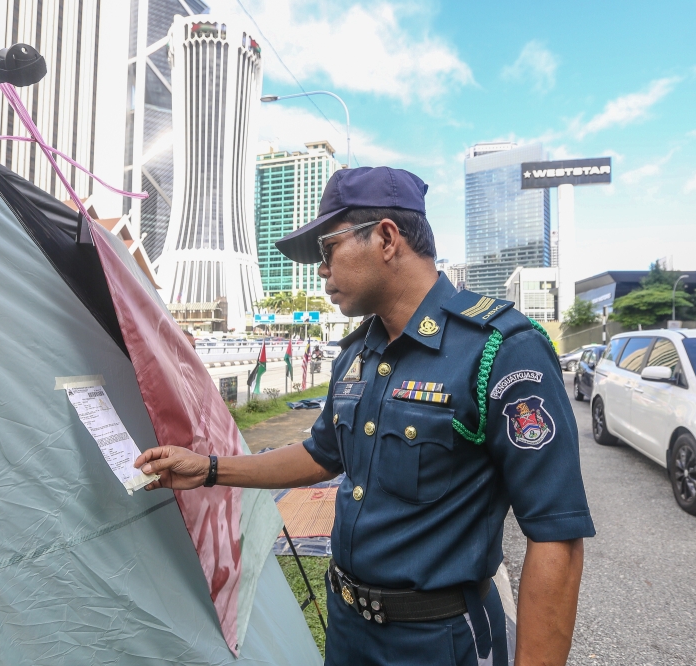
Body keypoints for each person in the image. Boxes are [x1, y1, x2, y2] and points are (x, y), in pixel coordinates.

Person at [135, 166, 595, 666]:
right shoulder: (357, 354)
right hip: (349, 627)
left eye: (327, 249)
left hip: (438, 640)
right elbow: (321, 454)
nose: (320, 269)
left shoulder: (500, 350)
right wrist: (209, 469)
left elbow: (556, 535)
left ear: (387, 238)